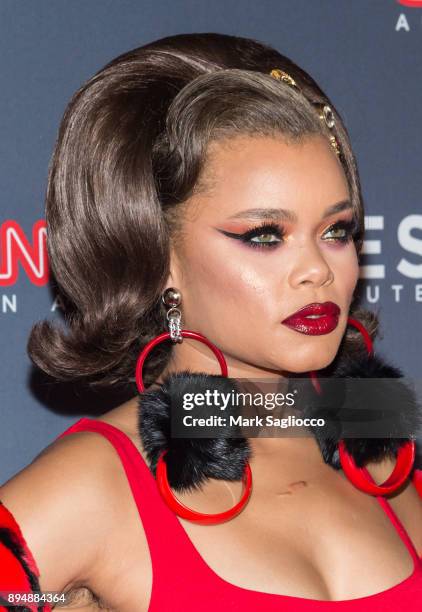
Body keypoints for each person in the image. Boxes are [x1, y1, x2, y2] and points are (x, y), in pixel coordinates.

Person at [1, 32, 422, 612]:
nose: (316, 271)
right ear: (160, 260)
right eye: (263, 236)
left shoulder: (379, 445)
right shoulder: (94, 484)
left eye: (336, 230)